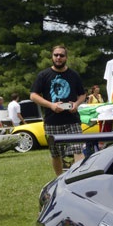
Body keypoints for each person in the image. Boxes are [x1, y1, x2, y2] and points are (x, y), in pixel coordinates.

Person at [30, 44, 87, 176]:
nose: (58, 58)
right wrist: (51, 105)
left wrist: (76, 104)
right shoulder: (43, 75)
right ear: (52, 57)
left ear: (66, 57)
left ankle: (78, 178)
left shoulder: (73, 75)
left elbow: (82, 94)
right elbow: (33, 95)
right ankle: (59, 179)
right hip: (52, 121)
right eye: (56, 55)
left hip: (72, 120)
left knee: (78, 149)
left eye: (61, 55)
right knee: (56, 154)